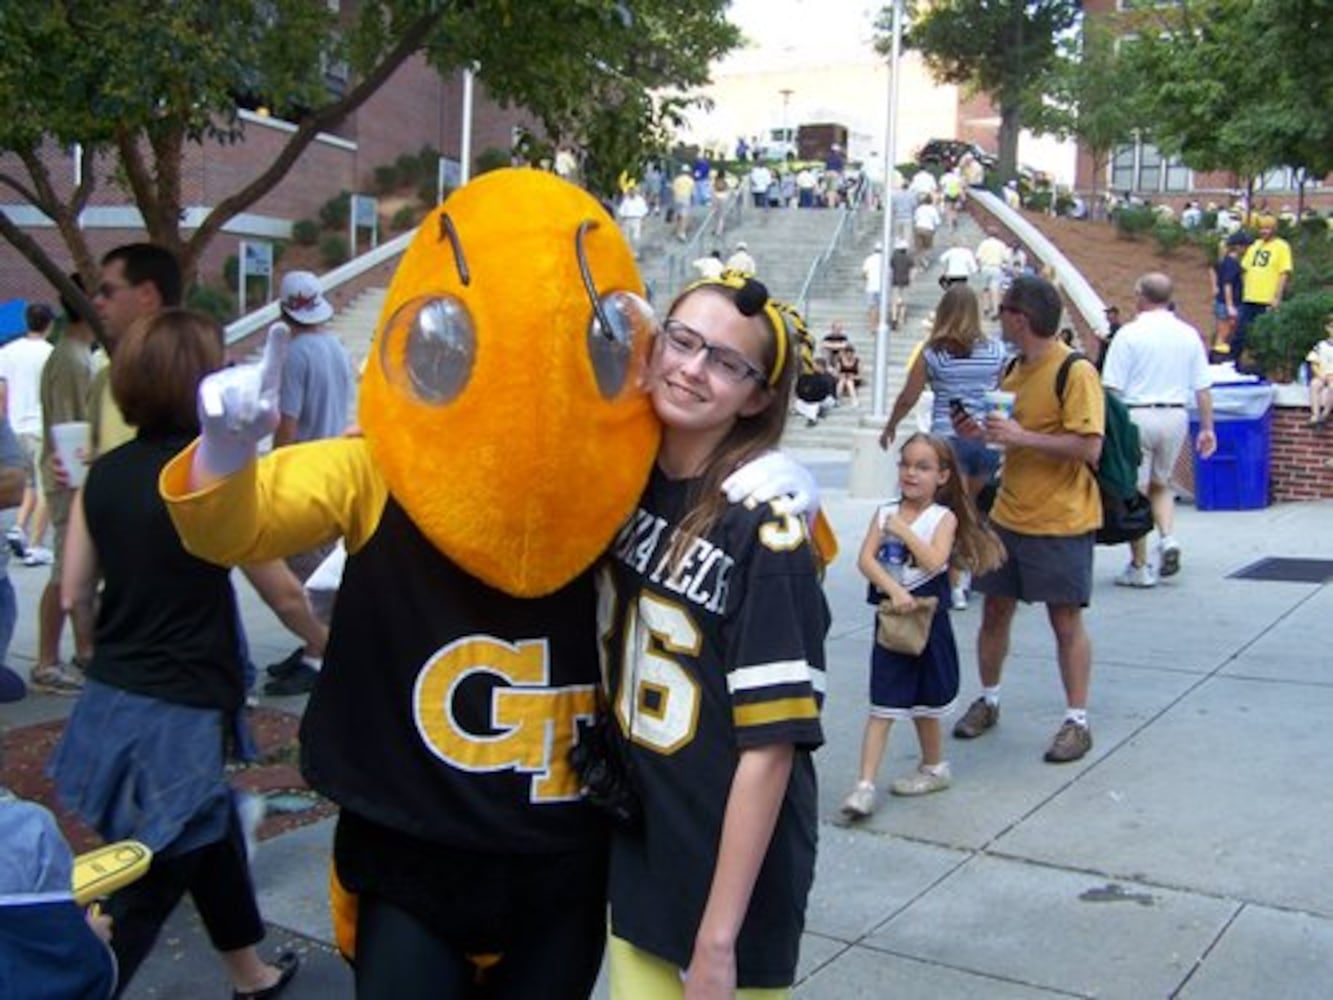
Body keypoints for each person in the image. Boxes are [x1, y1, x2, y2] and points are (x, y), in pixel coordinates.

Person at [50, 308, 299, 998]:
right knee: (151, 874)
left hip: (114, 694)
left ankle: (250, 976)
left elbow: (74, 593)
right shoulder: (208, 478)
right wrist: (331, 648)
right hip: (183, 701)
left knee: (205, 828)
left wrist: (107, 653)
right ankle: (80, 987)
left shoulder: (102, 476)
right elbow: (282, 592)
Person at [603, 273, 828, 999]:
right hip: (641, 842)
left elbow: (772, 747)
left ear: (759, 394)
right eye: (683, 341)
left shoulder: (765, 520)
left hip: (728, 873)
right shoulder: (619, 476)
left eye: (726, 362)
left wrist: (718, 938)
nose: (691, 369)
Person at [951, 275, 1105, 764]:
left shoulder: (1074, 372)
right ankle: (989, 698)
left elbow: (1089, 446)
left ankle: (1076, 720)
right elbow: (1004, 441)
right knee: (994, 610)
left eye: (1004, 315)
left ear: (1021, 317)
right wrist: (976, 433)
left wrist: (1022, 437)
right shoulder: (1013, 370)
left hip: (1062, 518)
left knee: (1065, 620)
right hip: (1008, 514)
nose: (1001, 324)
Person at [842, 433, 1005, 817]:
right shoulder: (883, 513)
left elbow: (935, 562)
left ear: (943, 476)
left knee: (926, 704)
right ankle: (864, 785)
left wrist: (904, 532)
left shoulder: (942, 518)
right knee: (882, 704)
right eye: (905, 464)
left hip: (929, 623)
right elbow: (866, 560)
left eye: (923, 467)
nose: (911, 473)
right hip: (892, 623)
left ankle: (934, 767)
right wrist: (891, 589)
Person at [878, 285, 1005, 610]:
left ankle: (955, 582)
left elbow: (909, 395)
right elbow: (1003, 391)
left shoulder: (933, 352)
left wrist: (892, 424)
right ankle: (972, 570)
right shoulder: (995, 350)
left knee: (950, 514)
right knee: (972, 510)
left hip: (948, 441)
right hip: (985, 441)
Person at [262, 271, 355, 696]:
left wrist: (275, 471)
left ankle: (319, 653)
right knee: (318, 568)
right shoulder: (336, 348)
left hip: (303, 471)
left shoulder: (295, 355)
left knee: (303, 572)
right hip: (334, 466)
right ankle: (311, 646)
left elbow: (288, 423)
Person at [1101, 272, 1216, 587]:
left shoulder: (1128, 334)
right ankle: (1168, 539)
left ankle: (1139, 565)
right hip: (1175, 415)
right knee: (1162, 483)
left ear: (1140, 295)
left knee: (1133, 490)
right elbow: (1203, 388)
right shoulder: (1188, 334)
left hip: (1136, 415)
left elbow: (1111, 388)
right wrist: (1207, 428)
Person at [31, 277, 99, 695]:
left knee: (75, 571)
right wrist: (78, 491)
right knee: (65, 571)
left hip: (75, 480)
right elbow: (69, 431)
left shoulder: (79, 356)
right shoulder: (71, 360)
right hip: (69, 483)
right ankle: (46, 661)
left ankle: (82, 650)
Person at [0, 303, 56, 565]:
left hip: (12, 425)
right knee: (42, 484)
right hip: (39, 424)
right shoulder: (50, 354)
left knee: (27, 483)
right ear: (50, 324)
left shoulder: (7, 352)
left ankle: (19, 527)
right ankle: (35, 543)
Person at [1236, 215, 1294, 368]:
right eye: (1261, 228)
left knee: (1265, 335)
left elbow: (1284, 273)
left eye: (1267, 228)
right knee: (1241, 332)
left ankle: (1263, 365)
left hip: (1266, 298)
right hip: (1249, 297)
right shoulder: (1255, 245)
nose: (1264, 231)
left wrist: (1277, 297)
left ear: (1274, 229)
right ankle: (1236, 362)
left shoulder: (1282, 246)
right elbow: (1244, 268)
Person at [1211, 232, 1249, 361]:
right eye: (1245, 246)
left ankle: (1217, 357)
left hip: (1221, 301)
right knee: (1224, 334)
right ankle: (1218, 360)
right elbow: (1228, 284)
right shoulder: (1232, 263)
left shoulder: (1225, 261)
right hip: (1227, 303)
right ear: (1238, 247)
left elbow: (1213, 270)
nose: (1246, 249)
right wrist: (1230, 305)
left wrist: (1215, 287)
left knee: (1221, 333)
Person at [794, 356, 838, 427]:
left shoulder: (828, 377)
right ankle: (816, 412)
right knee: (798, 403)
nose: (813, 367)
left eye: (815, 365)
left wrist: (814, 399)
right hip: (814, 400)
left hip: (827, 400)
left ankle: (812, 418)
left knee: (814, 405)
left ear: (820, 366)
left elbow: (826, 392)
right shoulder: (811, 376)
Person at [975, 230, 1009, 319]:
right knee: (995, 289)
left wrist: (979, 267)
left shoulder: (984, 244)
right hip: (996, 267)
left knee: (985, 288)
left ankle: (986, 307)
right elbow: (1006, 258)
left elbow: (978, 257)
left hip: (985, 267)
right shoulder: (1001, 244)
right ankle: (995, 310)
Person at [1307, 316, 1333, 425]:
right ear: (1327, 328)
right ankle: (1315, 415)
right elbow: (1313, 362)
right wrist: (1320, 374)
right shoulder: (1321, 345)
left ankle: (1325, 414)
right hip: (1322, 375)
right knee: (1314, 385)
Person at [617, 185, 650, 257]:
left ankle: (635, 252)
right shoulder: (625, 200)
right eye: (630, 191)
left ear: (635, 191)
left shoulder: (640, 200)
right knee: (626, 238)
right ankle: (627, 253)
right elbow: (621, 212)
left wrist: (643, 222)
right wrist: (620, 223)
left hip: (637, 220)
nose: (631, 192)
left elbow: (644, 212)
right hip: (627, 220)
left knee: (636, 238)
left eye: (633, 190)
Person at [889, 239, 913, 330]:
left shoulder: (894, 257)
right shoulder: (908, 258)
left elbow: (890, 268)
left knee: (894, 301)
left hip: (895, 281)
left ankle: (894, 317)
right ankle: (901, 319)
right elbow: (913, 269)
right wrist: (911, 279)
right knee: (904, 302)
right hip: (905, 281)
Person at [862, 242, 884, 328]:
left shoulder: (869, 259)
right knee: (879, 307)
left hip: (871, 286)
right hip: (881, 287)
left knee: (871, 307)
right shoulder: (885, 260)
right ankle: (878, 324)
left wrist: (867, 279)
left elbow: (864, 273)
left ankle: (872, 325)